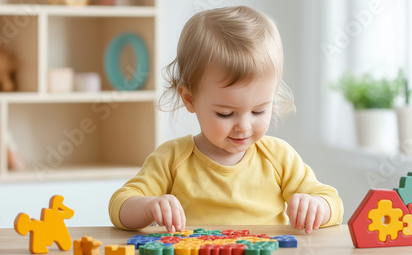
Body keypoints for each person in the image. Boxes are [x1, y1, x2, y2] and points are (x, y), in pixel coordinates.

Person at [109, 6, 343, 234]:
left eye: (259, 111)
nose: (244, 126)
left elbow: (334, 203)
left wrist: (317, 207)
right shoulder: (171, 159)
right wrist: (150, 206)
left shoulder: (279, 158)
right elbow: (120, 205)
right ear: (190, 100)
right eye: (226, 114)